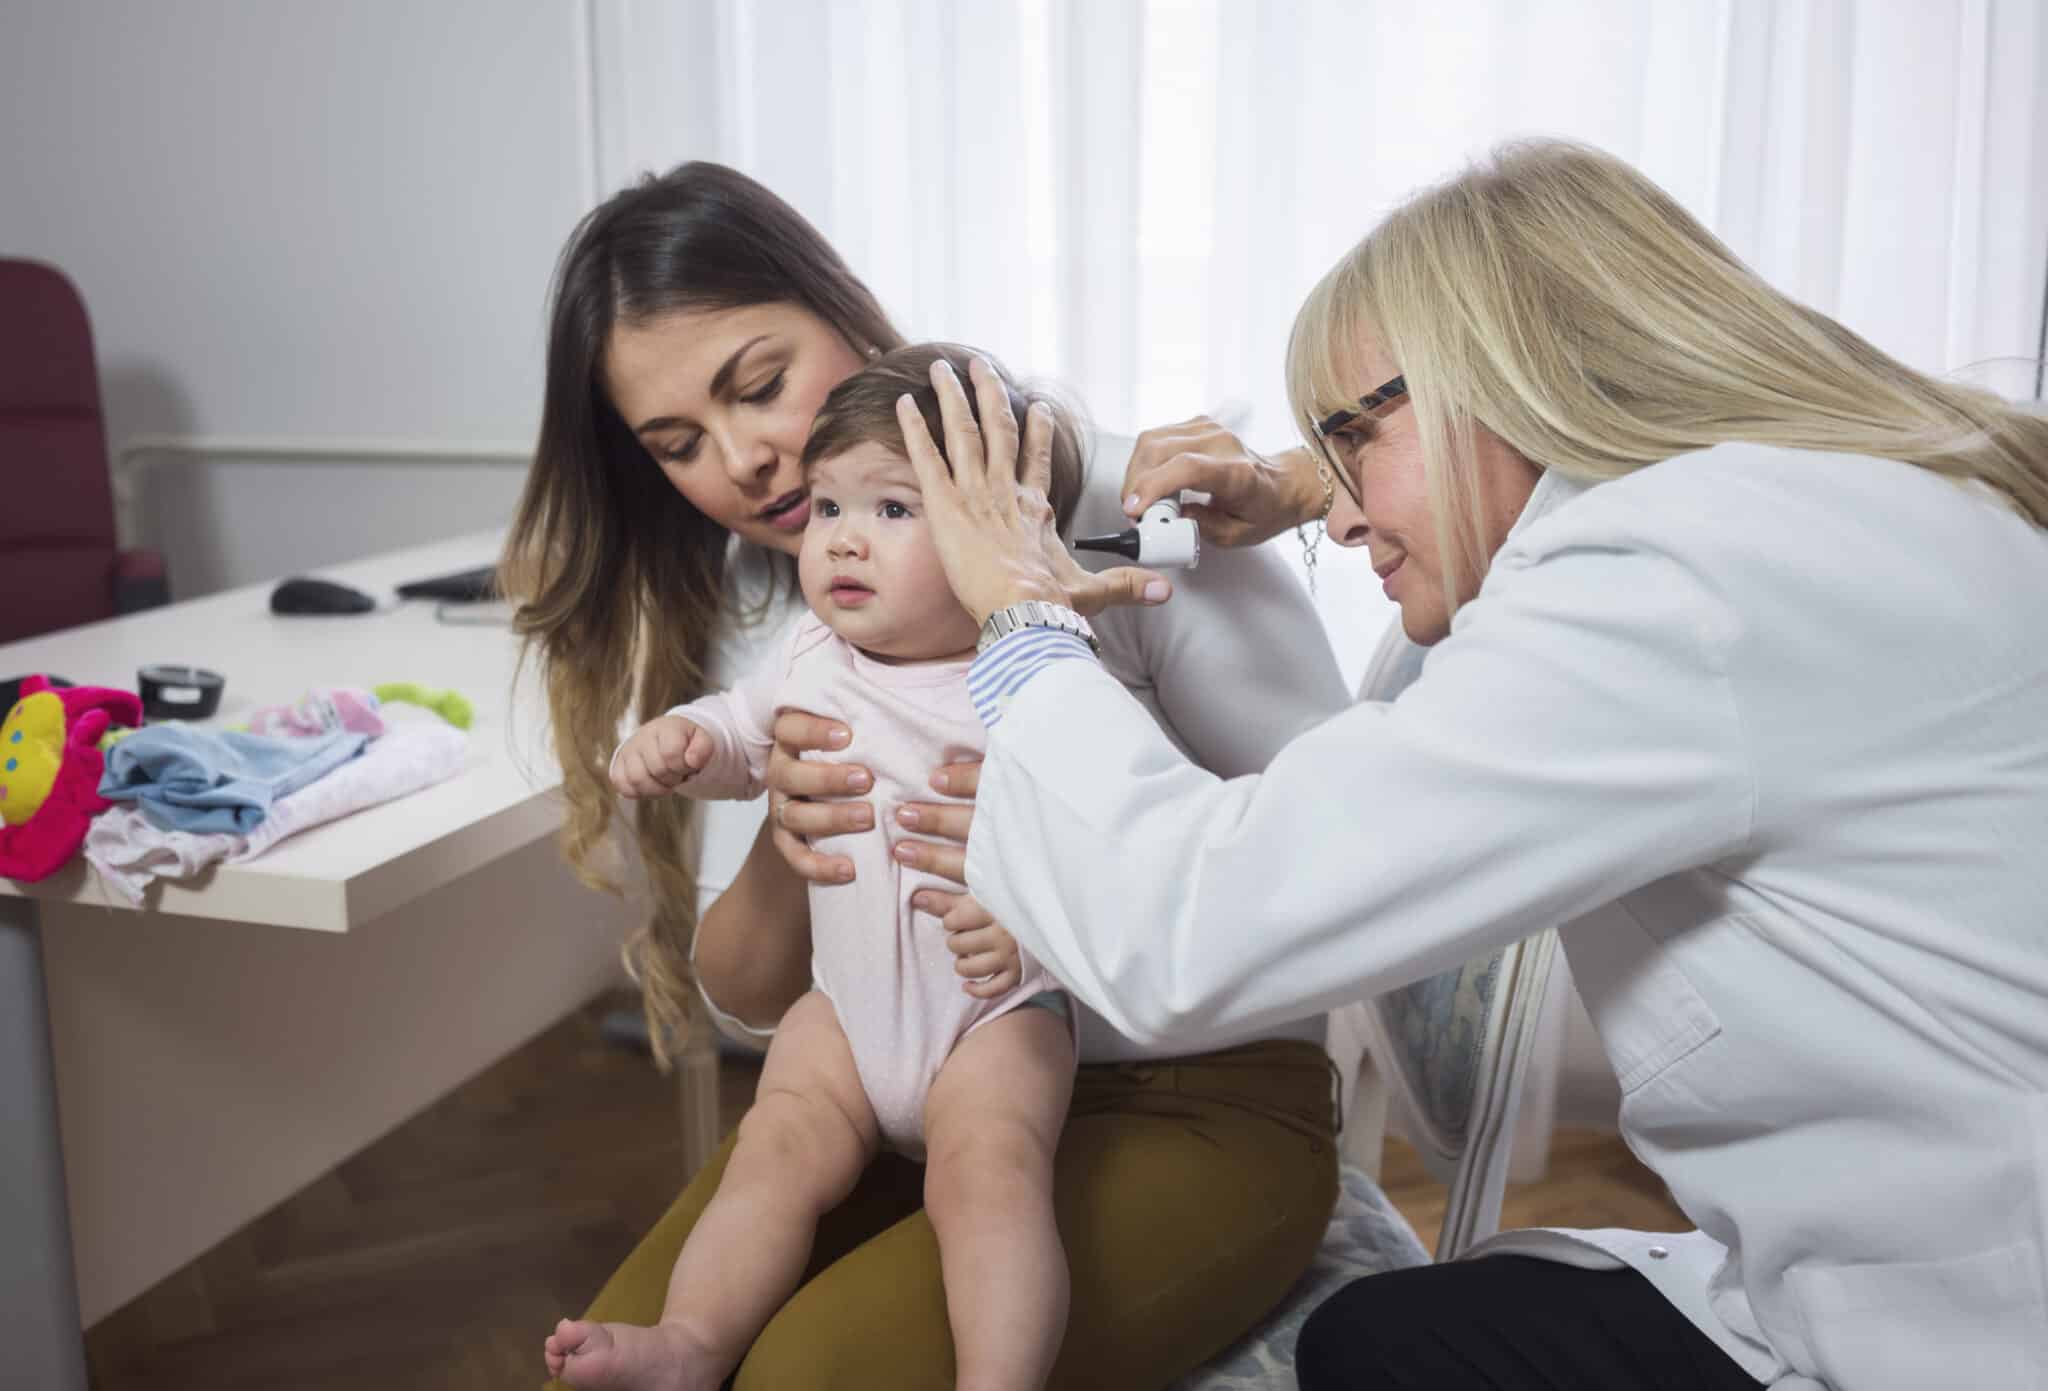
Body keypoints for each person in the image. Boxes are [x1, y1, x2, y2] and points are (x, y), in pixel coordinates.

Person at [896, 140, 2048, 1391]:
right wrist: (1320, 475)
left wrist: (1018, 612)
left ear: (1504, 373)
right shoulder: (1824, 497)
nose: (1333, 517)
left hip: (1973, 1327)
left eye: (1348, 442)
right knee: (1387, 1340)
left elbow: (1188, 929)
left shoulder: (1664, 585)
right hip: (1903, 1254)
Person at [502, 162, 1359, 1391]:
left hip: (1191, 1090)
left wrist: (1057, 899)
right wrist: (792, 835)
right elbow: (748, 990)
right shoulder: (816, 599)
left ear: (845, 313)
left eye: (758, 385)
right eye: (678, 443)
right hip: (881, 1070)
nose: (744, 462)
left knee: (806, 1374)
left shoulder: (1132, 525)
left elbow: (1336, 881)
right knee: (635, 1356)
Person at [544, 345, 1093, 1391]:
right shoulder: (808, 656)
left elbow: (1110, 843)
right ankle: (690, 1342)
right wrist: (685, 745)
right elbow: (742, 738)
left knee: (990, 1177)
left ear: (1013, 542)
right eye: (827, 505)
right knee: (772, 1149)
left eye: (893, 510)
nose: (844, 537)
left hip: (993, 1012)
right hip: (841, 1009)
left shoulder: (1034, 667)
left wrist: (1032, 914)